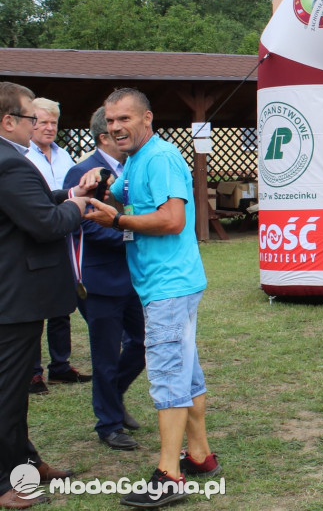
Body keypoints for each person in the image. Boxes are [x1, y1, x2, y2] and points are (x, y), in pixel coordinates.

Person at [83, 88, 220, 508]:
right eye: (110, 122)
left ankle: (169, 475)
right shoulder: (135, 160)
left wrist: (117, 218)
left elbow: (173, 220)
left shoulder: (159, 158)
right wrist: (101, 187)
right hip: (162, 284)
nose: (116, 127)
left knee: (167, 377)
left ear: (147, 119)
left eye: (124, 119)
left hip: (169, 286)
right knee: (186, 371)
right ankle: (199, 456)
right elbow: (126, 196)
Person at [0, 81, 93, 509]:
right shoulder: (10, 163)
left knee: (16, 388)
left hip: (14, 294)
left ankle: (27, 462)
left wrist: (70, 194)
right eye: (28, 118)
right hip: (14, 296)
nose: (35, 124)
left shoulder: (11, 164)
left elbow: (30, 205)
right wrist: (79, 208)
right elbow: (44, 224)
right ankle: (6, 482)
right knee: (9, 391)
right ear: (9, 121)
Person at [63, 106, 146, 452]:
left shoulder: (133, 167)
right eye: (115, 129)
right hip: (99, 279)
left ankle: (114, 395)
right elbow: (83, 225)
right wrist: (133, 235)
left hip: (134, 276)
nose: (122, 134)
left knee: (143, 344)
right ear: (103, 137)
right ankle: (109, 424)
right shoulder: (80, 174)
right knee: (106, 354)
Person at [26, 97, 90, 393]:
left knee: (62, 302)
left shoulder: (64, 156)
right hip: (36, 237)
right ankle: (32, 371)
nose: (49, 128)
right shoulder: (22, 156)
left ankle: (60, 365)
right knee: (35, 303)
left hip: (65, 234)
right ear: (30, 122)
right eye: (43, 122)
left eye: (54, 122)